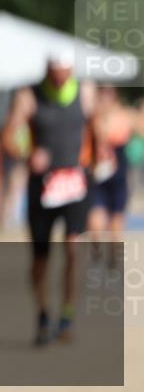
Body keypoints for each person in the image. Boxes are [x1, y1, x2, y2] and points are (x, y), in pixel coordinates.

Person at [1, 51, 99, 346]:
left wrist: (97, 159)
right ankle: (43, 314)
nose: (60, 79)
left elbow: (96, 128)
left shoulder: (85, 90)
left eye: (65, 72)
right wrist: (27, 154)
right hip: (41, 185)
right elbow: (8, 136)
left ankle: (67, 315)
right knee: (41, 258)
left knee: (73, 248)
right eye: (55, 73)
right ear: (47, 70)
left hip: (75, 183)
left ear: (71, 70)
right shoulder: (28, 96)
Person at [87, 86, 135, 267]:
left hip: (109, 171)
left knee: (112, 215)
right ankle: (107, 254)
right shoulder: (122, 115)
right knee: (105, 215)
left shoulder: (95, 116)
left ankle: (106, 254)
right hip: (105, 171)